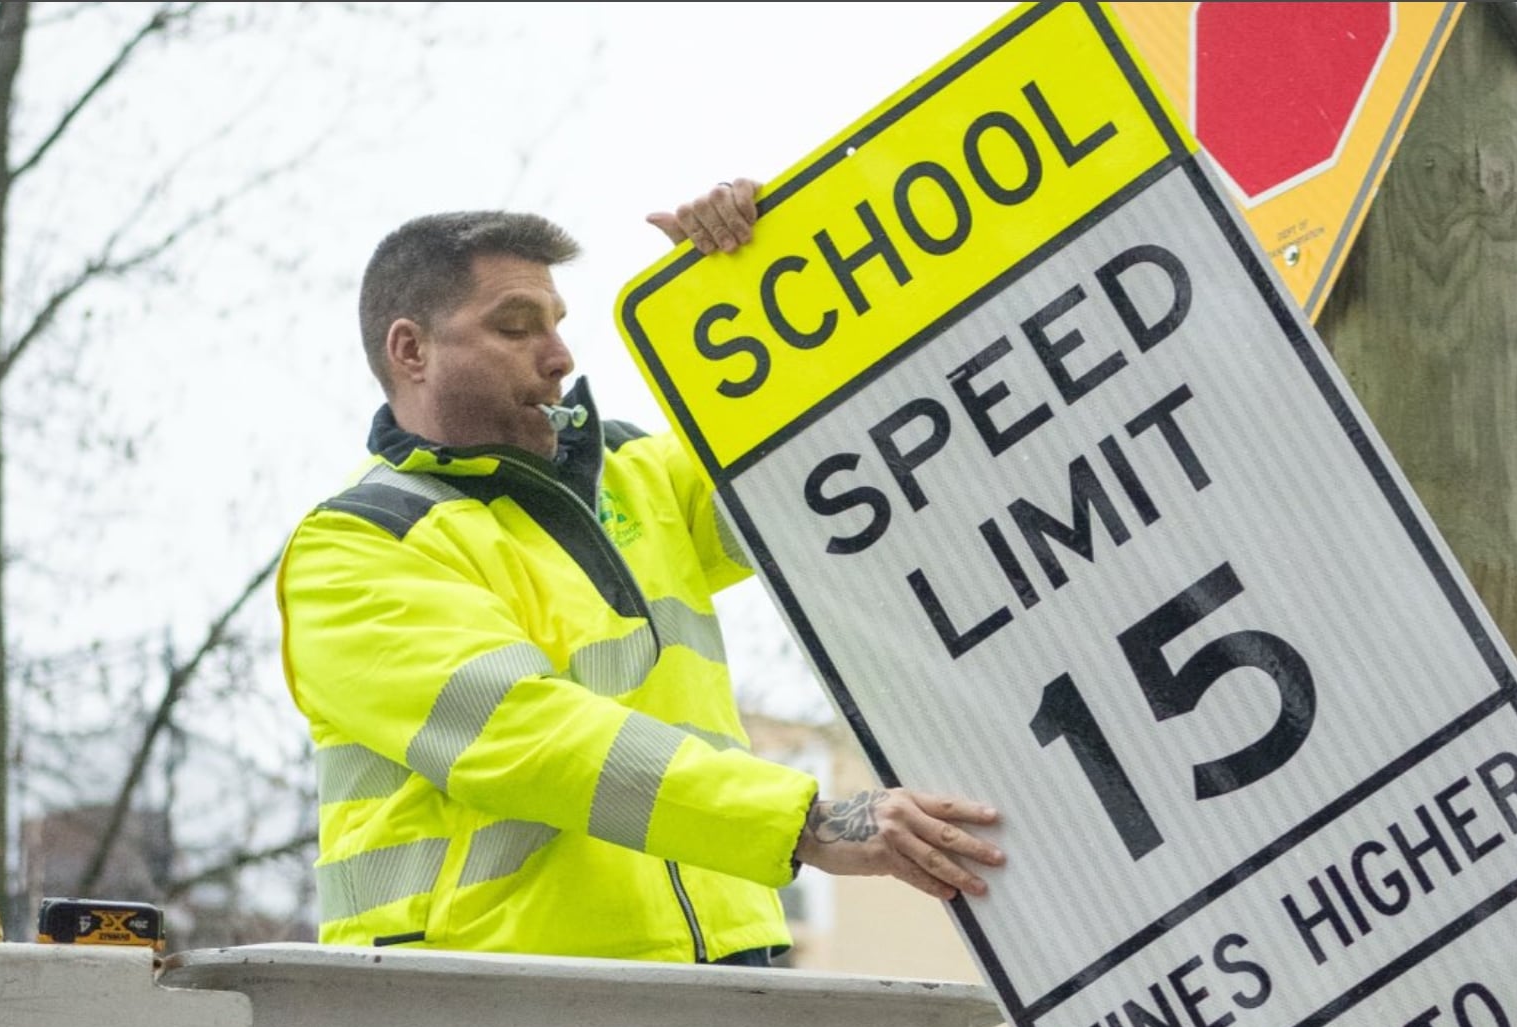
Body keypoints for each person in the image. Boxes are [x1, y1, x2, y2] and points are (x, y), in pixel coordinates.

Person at [274, 181, 1004, 965]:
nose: (559, 356)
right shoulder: (356, 545)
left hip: (725, 965)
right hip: (488, 996)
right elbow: (530, 738)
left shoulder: (633, 474)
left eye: (557, 324)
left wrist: (751, 284)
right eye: (515, 326)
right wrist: (803, 823)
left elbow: (833, 456)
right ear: (410, 350)